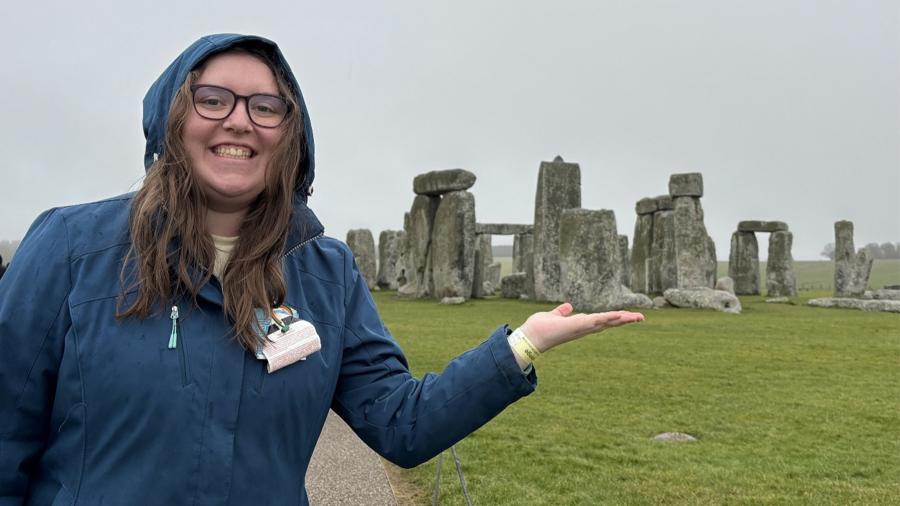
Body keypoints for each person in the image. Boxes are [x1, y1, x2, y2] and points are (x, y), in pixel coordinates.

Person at [0, 34, 643, 505]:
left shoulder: (323, 273)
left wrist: (521, 347)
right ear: (171, 116)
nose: (239, 121)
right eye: (212, 99)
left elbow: (400, 422)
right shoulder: (71, 249)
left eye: (265, 107)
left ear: (290, 135)